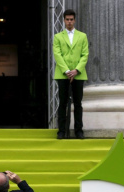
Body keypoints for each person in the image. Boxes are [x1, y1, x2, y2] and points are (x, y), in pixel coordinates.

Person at [53, 9, 89, 139]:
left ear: (74, 20)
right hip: (63, 74)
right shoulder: (58, 36)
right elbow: (57, 54)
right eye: (67, 19)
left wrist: (76, 70)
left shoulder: (82, 36)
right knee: (62, 102)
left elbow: (85, 54)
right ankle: (61, 131)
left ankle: (79, 130)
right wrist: (67, 71)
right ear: (64, 20)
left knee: (78, 103)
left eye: (71, 19)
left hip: (78, 74)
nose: (69, 22)